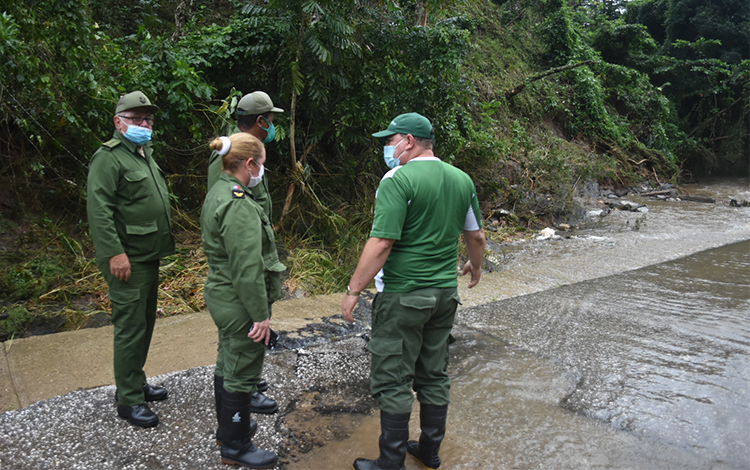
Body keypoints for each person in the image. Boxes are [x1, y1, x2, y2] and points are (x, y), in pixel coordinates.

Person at [341, 113, 486, 470]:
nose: (387, 149)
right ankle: (429, 451)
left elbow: (381, 243)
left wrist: (353, 289)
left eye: (389, 142)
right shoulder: (461, 178)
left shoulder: (397, 180)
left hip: (404, 295)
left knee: (393, 378)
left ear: (408, 141)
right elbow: (476, 235)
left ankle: (390, 463)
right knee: (434, 373)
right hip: (444, 295)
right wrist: (475, 265)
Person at [87, 91, 175, 428]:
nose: (143, 124)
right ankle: (128, 400)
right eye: (137, 119)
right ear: (118, 121)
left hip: (148, 255)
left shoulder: (142, 154)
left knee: (144, 323)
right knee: (129, 327)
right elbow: (99, 211)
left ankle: (135, 381)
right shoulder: (108, 159)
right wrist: (115, 253)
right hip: (127, 259)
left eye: (148, 119)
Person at [201, 133, 286, 468]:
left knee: (227, 359)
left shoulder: (219, 190)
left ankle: (228, 428)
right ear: (249, 163)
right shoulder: (238, 204)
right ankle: (236, 444)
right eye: (261, 163)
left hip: (221, 293)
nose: (262, 170)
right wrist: (260, 315)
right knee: (241, 369)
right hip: (238, 300)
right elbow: (247, 268)